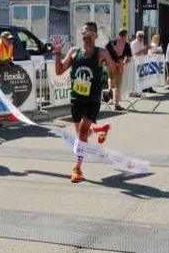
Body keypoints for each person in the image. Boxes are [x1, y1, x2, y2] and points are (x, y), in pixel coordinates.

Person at [53, 21, 118, 183]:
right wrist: (57, 53)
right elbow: (59, 71)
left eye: (90, 33)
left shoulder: (101, 52)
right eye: (84, 33)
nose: (86, 36)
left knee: (82, 133)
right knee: (81, 135)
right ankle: (100, 130)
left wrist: (114, 57)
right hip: (76, 99)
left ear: (96, 36)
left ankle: (77, 168)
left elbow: (115, 70)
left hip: (92, 100)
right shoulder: (74, 52)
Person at [106, 29, 132, 111]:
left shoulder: (111, 42)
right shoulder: (127, 45)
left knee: (110, 77)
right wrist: (123, 62)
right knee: (118, 86)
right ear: (125, 35)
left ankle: (109, 88)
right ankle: (117, 105)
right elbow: (129, 59)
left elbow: (105, 53)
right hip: (120, 63)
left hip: (110, 63)